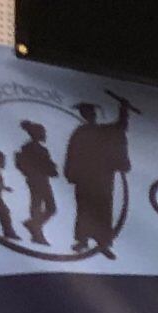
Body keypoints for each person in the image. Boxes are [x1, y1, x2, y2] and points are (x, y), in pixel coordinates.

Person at [63, 96, 134, 258]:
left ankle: (103, 242)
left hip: (102, 177)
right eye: (86, 112)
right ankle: (83, 240)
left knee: (103, 209)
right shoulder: (80, 133)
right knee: (85, 209)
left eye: (90, 112)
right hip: (85, 177)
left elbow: (120, 127)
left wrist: (124, 110)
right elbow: (72, 154)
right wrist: (71, 173)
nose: (89, 115)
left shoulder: (104, 131)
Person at [13, 120, 57, 246]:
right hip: (38, 179)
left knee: (40, 204)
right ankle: (35, 229)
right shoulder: (31, 148)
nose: (45, 135)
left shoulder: (37, 149)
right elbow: (43, 165)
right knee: (46, 206)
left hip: (40, 179)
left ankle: (35, 228)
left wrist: (51, 169)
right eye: (43, 133)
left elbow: (49, 166)